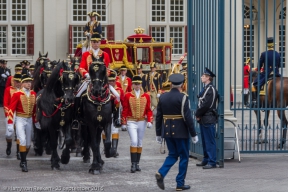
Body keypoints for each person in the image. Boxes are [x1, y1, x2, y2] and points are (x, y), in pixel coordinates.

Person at [155, 73, 198, 191]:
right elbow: (187, 118)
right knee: (184, 156)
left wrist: (158, 133)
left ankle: (161, 172)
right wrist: (193, 134)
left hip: (167, 132)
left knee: (173, 154)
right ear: (182, 85)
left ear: (171, 84)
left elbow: (158, 117)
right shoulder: (183, 97)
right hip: (181, 132)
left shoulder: (162, 97)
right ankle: (180, 183)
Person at [121, 75, 153, 173]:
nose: (137, 86)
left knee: (139, 142)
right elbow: (125, 109)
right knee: (134, 141)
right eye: (135, 84)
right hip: (131, 121)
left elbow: (148, 109)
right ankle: (133, 164)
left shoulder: (146, 96)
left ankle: (137, 163)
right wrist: (124, 122)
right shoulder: (128, 95)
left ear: (141, 84)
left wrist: (149, 120)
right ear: (133, 85)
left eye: (138, 84)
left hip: (142, 121)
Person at [7, 74, 37, 172]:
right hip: (20, 119)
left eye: (30, 82)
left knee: (28, 144)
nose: (29, 84)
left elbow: (34, 110)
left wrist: (36, 120)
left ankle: (23, 158)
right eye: (27, 82)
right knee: (22, 140)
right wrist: (10, 123)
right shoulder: (17, 94)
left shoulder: (33, 94)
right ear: (22, 83)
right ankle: (24, 162)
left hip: (29, 120)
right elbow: (11, 109)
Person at [195, 67, 218, 169]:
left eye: (203, 76)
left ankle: (212, 161)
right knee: (204, 140)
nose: (201, 77)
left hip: (208, 117)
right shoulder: (206, 88)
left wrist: (198, 114)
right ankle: (206, 159)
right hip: (204, 117)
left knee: (209, 141)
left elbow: (206, 105)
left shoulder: (211, 89)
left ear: (208, 78)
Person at [251, 37, 281, 107]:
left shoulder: (264, 54)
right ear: (273, 45)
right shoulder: (277, 54)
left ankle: (256, 101)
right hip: (276, 73)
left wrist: (258, 69)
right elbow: (279, 65)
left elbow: (260, 64)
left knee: (254, 83)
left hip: (267, 73)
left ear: (267, 45)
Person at [102, 71, 124, 157]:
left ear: (115, 81)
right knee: (104, 131)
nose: (111, 82)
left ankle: (114, 149)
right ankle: (106, 149)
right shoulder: (103, 90)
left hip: (115, 113)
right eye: (109, 81)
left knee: (115, 130)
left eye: (113, 81)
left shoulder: (120, 90)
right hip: (105, 112)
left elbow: (123, 102)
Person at [3, 74, 22, 159]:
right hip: (11, 113)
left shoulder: (23, 90)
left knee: (19, 133)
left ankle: (18, 151)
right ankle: (9, 144)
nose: (17, 83)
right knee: (9, 134)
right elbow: (5, 103)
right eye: (16, 81)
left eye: (19, 82)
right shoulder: (8, 89)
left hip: (20, 113)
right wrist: (8, 114)